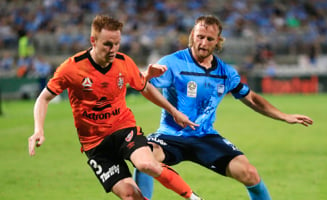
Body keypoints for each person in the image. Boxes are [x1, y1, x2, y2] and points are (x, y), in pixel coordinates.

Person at [134, 15, 314, 200]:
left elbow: (251, 99)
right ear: (192, 35)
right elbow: (142, 84)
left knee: (249, 173)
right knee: (145, 158)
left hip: (205, 136)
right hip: (170, 135)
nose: (203, 43)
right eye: (200, 36)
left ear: (218, 41)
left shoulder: (226, 73)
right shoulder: (172, 62)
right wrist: (147, 75)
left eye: (209, 39)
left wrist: (283, 116)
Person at [28, 15, 203, 200]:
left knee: (146, 165)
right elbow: (43, 98)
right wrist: (38, 129)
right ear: (93, 41)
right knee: (130, 195)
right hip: (95, 144)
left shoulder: (124, 62)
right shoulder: (72, 68)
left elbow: (144, 86)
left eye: (117, 44)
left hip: (123, 129)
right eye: (107, 44)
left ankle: (193, 198)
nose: (113, 50)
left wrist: (173, 111)